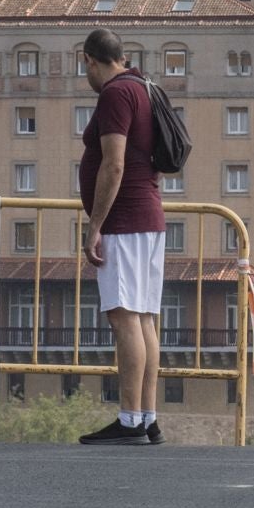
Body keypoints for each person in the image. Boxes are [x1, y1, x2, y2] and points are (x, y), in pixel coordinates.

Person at [76, 27, 165, 445]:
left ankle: (130, 420)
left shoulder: (114, 94)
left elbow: (113, 165)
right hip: (148, 216)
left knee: (124, 317)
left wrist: (94, 226)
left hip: (125, 220)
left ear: (91, 60)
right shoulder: (144, 85)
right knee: (143, 316)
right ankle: (146, 417)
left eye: (86, 68)